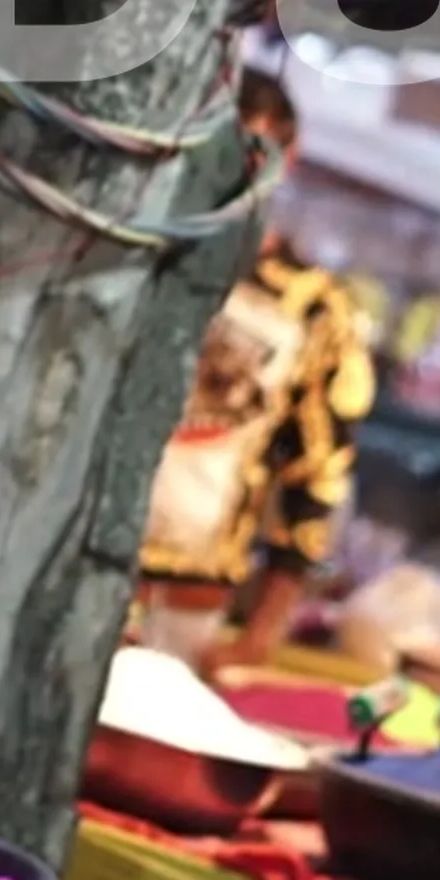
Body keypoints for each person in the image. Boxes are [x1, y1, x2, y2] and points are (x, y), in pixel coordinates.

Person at [133, 69, 376, 669]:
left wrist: (259, 637)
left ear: (284, 161)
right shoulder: (131, 255)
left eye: (256, 152)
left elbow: (317, 479)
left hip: (194, 604)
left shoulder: (315, 310)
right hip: (69, 570)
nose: (235, 170)